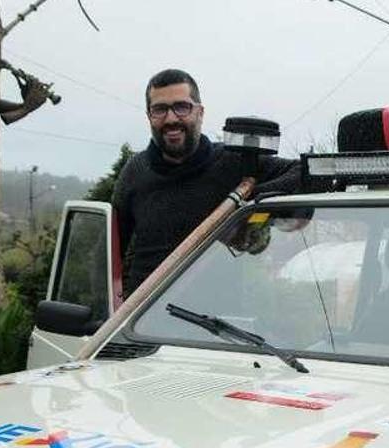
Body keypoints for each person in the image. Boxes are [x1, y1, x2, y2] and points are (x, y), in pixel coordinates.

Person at [112, 68, 306, 298]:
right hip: (139, 320)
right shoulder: (135, 171)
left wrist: (248, 203)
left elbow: (304, 172)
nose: (171, 118)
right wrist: (114, 304)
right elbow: (110, 252)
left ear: (200, 112)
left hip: (215, 323)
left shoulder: (235, 163)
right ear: (149, 116)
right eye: (160, 109)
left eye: (182, 107)